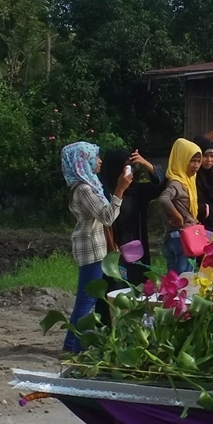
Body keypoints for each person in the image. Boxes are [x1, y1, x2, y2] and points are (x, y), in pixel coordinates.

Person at [61, 141, 129, 352]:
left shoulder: (87, 186)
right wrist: (120, 189)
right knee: (86, 301)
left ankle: (74, 344)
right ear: (83, 161)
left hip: (93, 247)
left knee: (86, 300)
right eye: (95, 157)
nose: (99, 161)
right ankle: (73, 346)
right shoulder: (83, 189)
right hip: (91, 249)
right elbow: (107, 217)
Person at [99, 147, 164, 285]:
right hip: (113, 249)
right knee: (115, 287)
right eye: (125, 167)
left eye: (131, 167)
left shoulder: (136, 191)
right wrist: (119, 189)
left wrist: (146, 164)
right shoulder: (102, 192)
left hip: (136, 249)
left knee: (137, 286)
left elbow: (163, 184)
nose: (128, 171)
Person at [159, 137, 202, 274]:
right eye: (192, 161)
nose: (196, 165)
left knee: (174, 280)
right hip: (180, 238)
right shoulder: (177, 183)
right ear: (182, 160)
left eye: (198, 161)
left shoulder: (188, 181)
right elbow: (164, 199)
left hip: (182, 236)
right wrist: (179, 218)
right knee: (184, 279)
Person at [192, 135, 213, 235]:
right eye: (205, 156)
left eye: (212, 156)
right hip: (194, 232)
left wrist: (208, 209)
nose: (209, 160)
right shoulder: (191, 179)